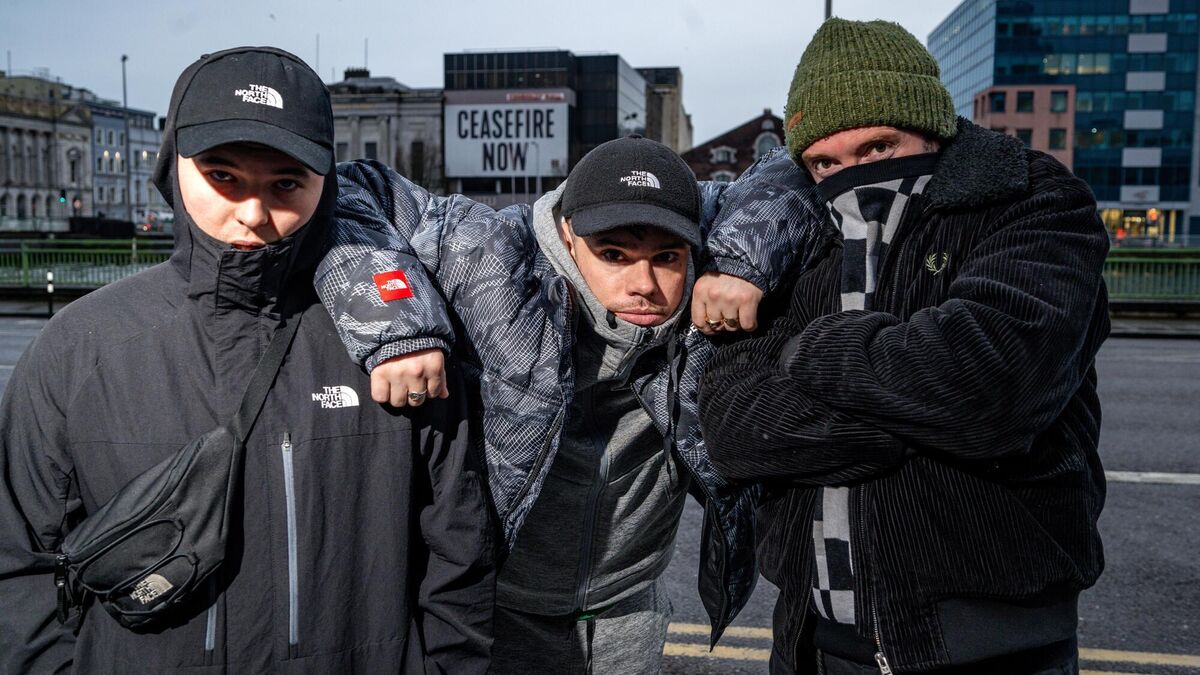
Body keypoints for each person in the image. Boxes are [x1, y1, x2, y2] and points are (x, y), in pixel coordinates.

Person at [0, 46, 495, 673]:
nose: (253, 214)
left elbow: (459, 558)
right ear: (173, 166)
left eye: (285, 183)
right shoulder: (79, 348)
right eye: (222, 176)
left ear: (326, 184)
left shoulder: (400, 345)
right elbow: (19, 560)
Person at [699, 18, 1110, 675]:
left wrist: (808, 351)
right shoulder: (794, 238)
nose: (853, 176)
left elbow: (990, 384)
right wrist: (925, 421)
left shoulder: (1034, 202)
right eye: (825, 163)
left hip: (997, 649)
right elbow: (734, 428)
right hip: (811, 643)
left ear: (930, 129)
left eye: (878, 147)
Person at [316, 135, 817, 673]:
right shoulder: (491, 255)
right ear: (566, 235)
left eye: (666, 258)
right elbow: (345, 187)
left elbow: (798, 169)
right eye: (614, 255)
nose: (644, 285)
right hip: (497, 613)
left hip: (630, 614)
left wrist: (740, 263)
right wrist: (398, 326)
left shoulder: (708, 241)